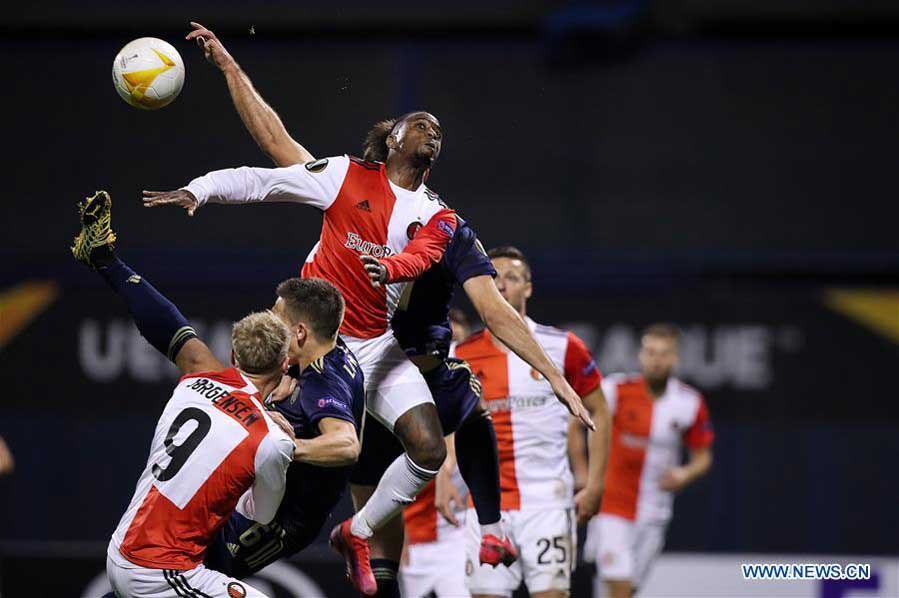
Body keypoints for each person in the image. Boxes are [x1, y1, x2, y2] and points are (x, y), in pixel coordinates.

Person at [144, 22, 594, 596]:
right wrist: (200, 187)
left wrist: (555, 377)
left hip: (375, 346)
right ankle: (183, 529)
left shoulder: (442, 218)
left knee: (428, 447)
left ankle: (355, 532)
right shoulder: (343, 176)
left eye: (439, 129)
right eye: (419, 123)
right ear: (392, 139)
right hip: (304, 340)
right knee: (249, 433)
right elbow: (266, 170)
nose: (432, 128)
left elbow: (485, 302)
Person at [71, 191, 365, 591]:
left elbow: (166, 322)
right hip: (160, 564)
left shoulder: (197, 380)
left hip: (144, 538)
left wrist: (108, 263)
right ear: (283, 362)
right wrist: (280, 441)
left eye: (278, 318)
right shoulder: (272, 434)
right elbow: (264, 504)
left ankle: (106, 260)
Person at [455, 246, 610, 598]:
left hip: (547, 503)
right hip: (486, 508)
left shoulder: (563, 346)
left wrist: (597, 484)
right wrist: (447, 478)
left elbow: (600, 410)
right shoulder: (461, 355)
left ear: (528, 288)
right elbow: (451, 423)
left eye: (512, 277)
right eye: (494, 278)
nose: (503, 285)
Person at [580, 324, 714, 598]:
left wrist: (685, 474)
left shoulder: (689, 402)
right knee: (619, 587)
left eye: (663, 354)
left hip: (654, 512)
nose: (656, 360)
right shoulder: (615, 389)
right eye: (650, 352)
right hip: (612, 507)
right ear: (641, 355)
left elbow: (703, 456)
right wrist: (583, 472)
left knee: (629, 590)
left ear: (675, 358)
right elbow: (575, 421)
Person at [399, 309, 474, 598]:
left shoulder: (477, 397)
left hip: (458, 536)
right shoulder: (403, 401)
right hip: (413, 540)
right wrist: (393, 534)